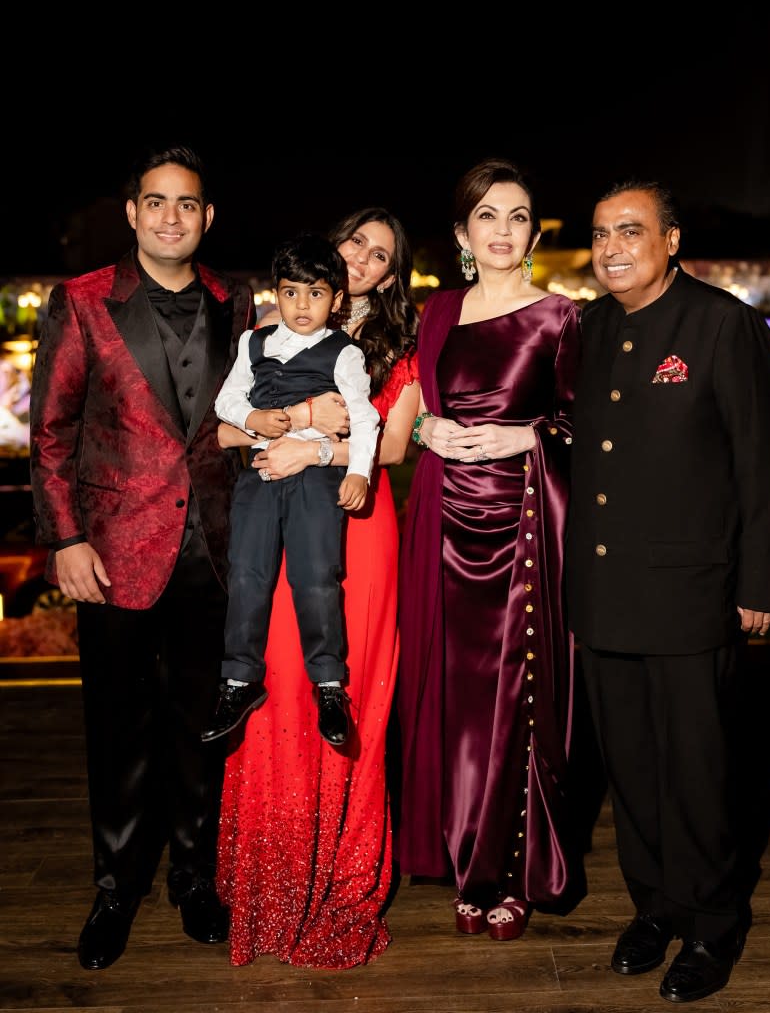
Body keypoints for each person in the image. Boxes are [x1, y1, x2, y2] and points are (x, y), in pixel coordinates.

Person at [565, 179, 770, 1004]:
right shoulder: (588, 328)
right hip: (603, 588)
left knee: (697, 771)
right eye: (600, 234)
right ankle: (655, 906)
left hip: (691, 591)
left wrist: (763, 581)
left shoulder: (721, 323)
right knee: (630, 767)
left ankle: (712, 920)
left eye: (631, 231)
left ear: (671, 241)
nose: (613, 248)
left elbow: (762, 465)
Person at [28, 145, 256, 970]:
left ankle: (193, 879)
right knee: (118, 730)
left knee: (203, 728)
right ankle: (117, 887)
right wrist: (65, 538)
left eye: (187, 204)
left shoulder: (239, 301)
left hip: (216, 552)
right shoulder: (83, 302)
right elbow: (50, 433)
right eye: (156, 203)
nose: (171, 217)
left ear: (207, 216)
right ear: (132, 214)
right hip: (115, 551)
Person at [215, 207, 419, 968]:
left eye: (381, 253)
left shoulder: (398, 343)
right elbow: (229, 432)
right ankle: (270, 886)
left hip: (357, 524)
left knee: (346, 694)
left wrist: (312, 453)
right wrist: (301, 420)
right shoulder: (270, 337)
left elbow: (391, 445)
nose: (364, 258)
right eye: (355, 242)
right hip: (282, 518)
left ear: (392, 273)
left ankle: (338, 886)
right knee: (278, 692)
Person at [396, 158, 584, 943]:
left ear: (533, 232)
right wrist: (423, 433)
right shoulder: (436, 311)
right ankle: (461, 852)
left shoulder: (563, 316)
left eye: (517, 216)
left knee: (516, 701)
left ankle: (507, 874)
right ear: (462, 234)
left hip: (524, 531)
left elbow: (588, 429)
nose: (503, 230)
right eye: (487, 216)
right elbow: (407, 411)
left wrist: (526, 434)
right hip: (442, 525)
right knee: (456, 701)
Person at [201, 233, 379, 748]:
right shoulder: (253, 342)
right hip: (259, 473)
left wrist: (359, 473)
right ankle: (238, 680)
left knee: (316, 577)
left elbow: (364, 421)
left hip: (317, 479)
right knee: (247, 574)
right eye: (291, 292)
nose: (303, 305)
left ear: (336, 299)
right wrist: (253, 416)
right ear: (275, 294)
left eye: (316, 293)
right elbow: (227, 400)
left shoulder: (344, 353)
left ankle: (328, 684)